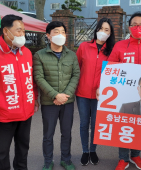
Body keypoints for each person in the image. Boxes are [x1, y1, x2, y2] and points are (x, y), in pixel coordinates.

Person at [97, 11, 141, 170]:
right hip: (124, 92)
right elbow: (110, 68)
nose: (138, 28)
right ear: (129, 27)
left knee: (140, 124)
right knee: (124, 124)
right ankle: (123, 158)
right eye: (134, 25)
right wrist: (103, 86)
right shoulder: (120, 46)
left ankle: (135, 155)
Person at [33, 21, 80, 170]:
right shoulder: (39, 55)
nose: (60, 35)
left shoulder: (71, 55)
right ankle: (48, 161)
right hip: (49, 102)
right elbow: (39, 77)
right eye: (56, 32)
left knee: (66, 133)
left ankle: (66, 159)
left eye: (62, 32)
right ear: (48, 35)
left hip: (67, 101)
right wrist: (55, 95)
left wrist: (65, 95)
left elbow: (76, 75)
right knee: (48, 135)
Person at [0, 14, 39, 170]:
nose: (22, 34)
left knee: (23, 148)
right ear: (6, 31)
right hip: (5, 114)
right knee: (2, 152)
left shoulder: (27, 53)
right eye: (18, 30)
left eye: (23, 30)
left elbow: (31, 79)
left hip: (25, 112)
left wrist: (34, 97)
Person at [75, 17, 115, 166]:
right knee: (84, 123)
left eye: (106, 30)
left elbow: (115, 73)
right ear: (96, 30)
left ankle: (93, 150)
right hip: (82, 93)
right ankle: (85, 151)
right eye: (100, 29)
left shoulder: (112, 51)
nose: (102, 32)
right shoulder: (84, 47)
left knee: (97, 124)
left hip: (102, 95)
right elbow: (76, 68)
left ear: (110, 34)